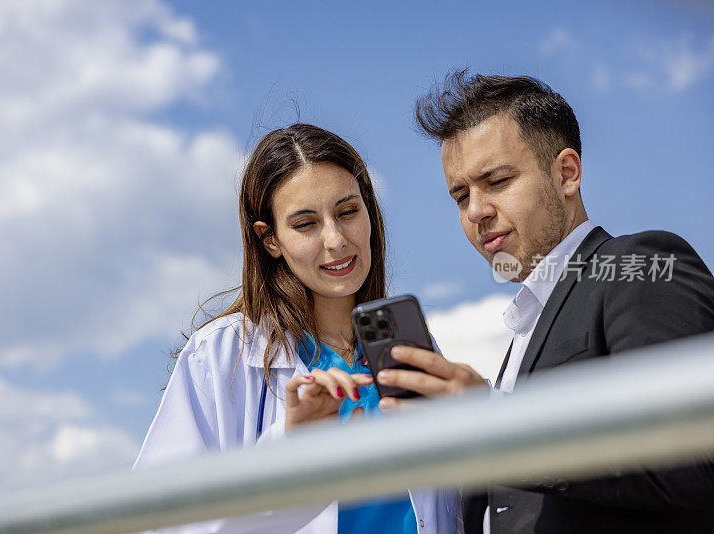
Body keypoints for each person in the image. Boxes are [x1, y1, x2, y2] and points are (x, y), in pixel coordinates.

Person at [373, 71, 714, 533]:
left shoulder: (641, 265)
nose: (475, 211)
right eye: (460, 195)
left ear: (566, 173)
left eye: (496, 180)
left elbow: (693, 458)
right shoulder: (525, 329)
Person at [133, 123, 459, 533]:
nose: (336, 240)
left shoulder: (414, 347)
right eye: (306, 224)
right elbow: (160, 522)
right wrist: (291, 451)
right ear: (270, 240)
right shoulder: (222, 355)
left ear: (369, 210)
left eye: (347, 211)